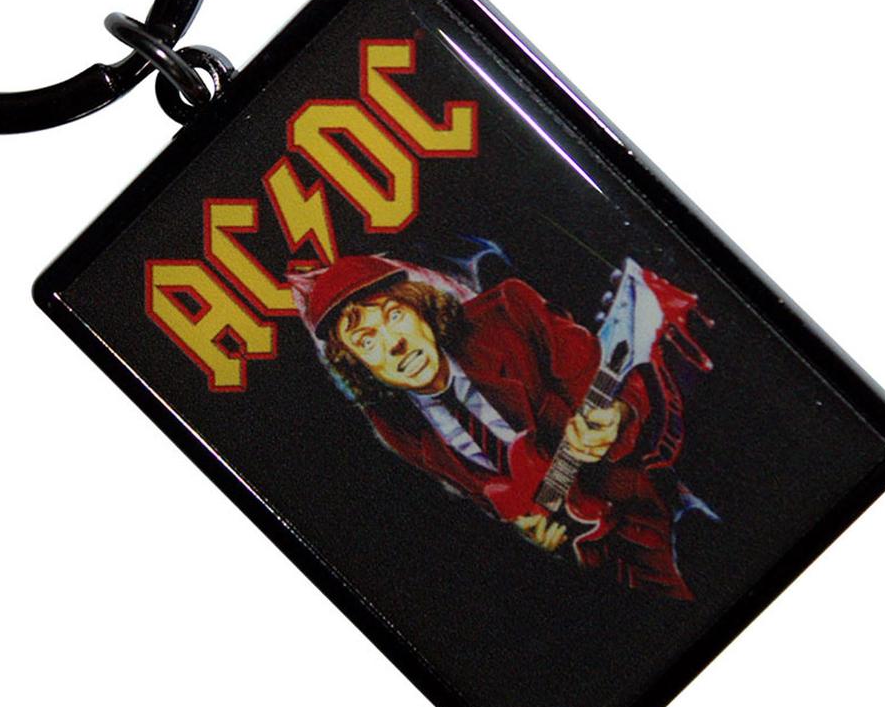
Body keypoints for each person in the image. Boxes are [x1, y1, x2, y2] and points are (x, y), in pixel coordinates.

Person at [300, 254, 700, 599]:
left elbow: (624, 387)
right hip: (574, 563)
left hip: (640, 517)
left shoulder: (509, 313)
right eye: (367, 341)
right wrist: (528, 528)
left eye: (395, 315)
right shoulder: (393, 424)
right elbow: (484, 499)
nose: (394, 343)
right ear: (359, 366)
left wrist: (618, 416)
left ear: (420, 308)